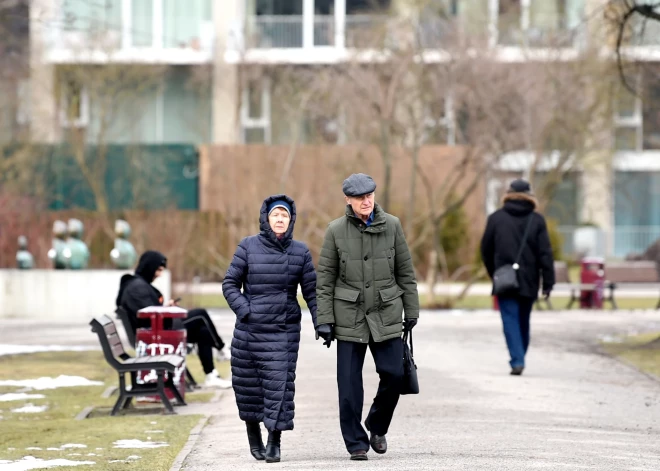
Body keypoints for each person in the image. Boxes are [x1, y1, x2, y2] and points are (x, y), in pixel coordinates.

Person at [315, 173, 420, 461]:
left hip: (386, 312)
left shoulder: (393, 226)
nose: (366, 200)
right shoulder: (335, 230)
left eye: (370, 195)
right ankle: (356, 443)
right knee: (348, 386)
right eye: (360, 197)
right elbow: (325, 279)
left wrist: (411, 310)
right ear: (348, 200)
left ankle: (376, 424)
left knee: (395, 375)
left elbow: (405, 273)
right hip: (348, 315)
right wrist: (323, 319)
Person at [222, 195, 317, 464]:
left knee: (280, 387)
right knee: (249, 386)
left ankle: (274, 440)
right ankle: (254, 437)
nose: (279, 219)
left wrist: (322, 322)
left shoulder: (300, 252)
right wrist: (246, 310)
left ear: (291, 220)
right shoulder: (247, 246)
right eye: (275, 215)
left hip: (283, 330)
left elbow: (312, 292)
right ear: (266, 218)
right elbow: (230, 284)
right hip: (250, 330)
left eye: (284, 216)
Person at [116, 250, 232, 389]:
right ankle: (222, 349)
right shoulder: (137, 287)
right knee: (200, 314)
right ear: (149, 266)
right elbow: (149, 314)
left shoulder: (138, 284)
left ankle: (211, 375)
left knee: (203, 331)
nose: (158, 274)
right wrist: (165, 309)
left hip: (156, 330)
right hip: (155, 335)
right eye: (158, 270)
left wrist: (165, 307)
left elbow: (149, 310)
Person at [480, 178, 555, 376]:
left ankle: (517, 359)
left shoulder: (496, 218)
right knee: (523, 320)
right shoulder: (537, 220)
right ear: (530, 196)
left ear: (508, 194)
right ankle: (519, 357)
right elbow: (545, 253)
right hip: (530, 279)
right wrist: (548, 282)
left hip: (505, 278)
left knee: (510, 320)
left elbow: (485, 249)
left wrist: (493, 272)